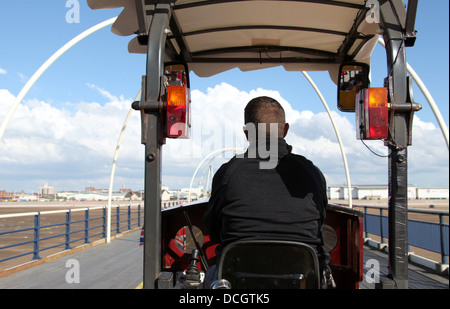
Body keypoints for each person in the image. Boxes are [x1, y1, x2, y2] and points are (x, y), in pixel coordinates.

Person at [203, 96, 329, 288]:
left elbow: (214, 232)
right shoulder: (311, 173)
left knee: (210, 274)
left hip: (237, 285)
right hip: (304, 281)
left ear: (247, 133)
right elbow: (320, 221)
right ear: (285, 130)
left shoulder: (228, 173)